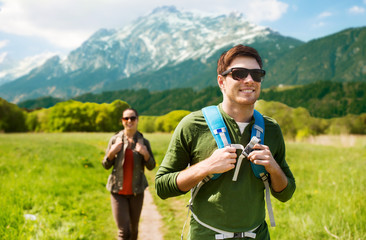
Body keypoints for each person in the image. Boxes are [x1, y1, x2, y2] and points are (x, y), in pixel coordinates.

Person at [155, 45, 296, 239]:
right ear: (221, 82)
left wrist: (273, 167)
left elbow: (286, 193)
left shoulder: (271, 129)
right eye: (239, 74)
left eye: (256, 74)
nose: (249, 80)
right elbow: (162, 186)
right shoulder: (193, 125)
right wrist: (206, 166)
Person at [102, 108, 155, 240]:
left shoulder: (143, 142)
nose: (129, 121)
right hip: (117, 191)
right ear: (122, 121)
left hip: (137, 192)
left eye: (132, 118)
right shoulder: (115, 140)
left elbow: (151, 166)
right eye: (126, 118)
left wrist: (145, 153)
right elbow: (106, 165)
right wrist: (111, 152)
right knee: (124, 231)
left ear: (137, 120)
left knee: (133, 230)